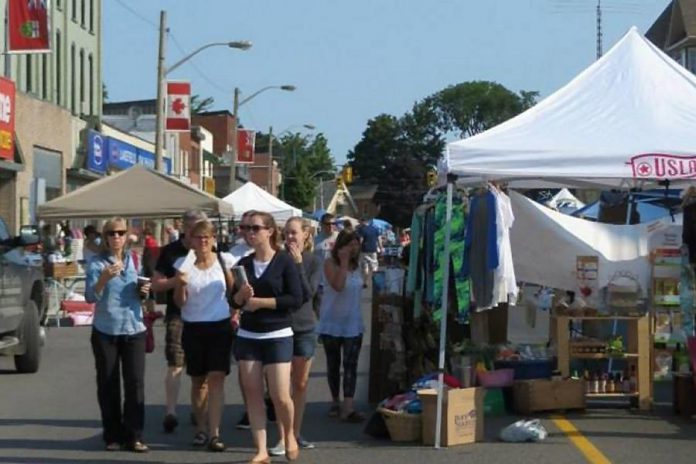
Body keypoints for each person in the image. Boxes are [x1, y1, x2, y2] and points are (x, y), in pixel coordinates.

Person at [231, 211, 303, 464]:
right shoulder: (245, 264)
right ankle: (261, 450)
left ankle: (290, 435)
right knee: (252, 392)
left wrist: (260, 302)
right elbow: (233, 300)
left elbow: (295, 298)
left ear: (270, 231)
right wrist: (240, 298)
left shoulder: (284, 262)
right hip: (248, 334)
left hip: (278, 332)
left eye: (255, 228)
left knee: (280, 394)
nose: (250, 233)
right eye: (245, 228)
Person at [85, 217, 151, 453]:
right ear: (105, 237)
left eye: (121, 233)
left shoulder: (135, 259)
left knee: (135, 383)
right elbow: (90, 298)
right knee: (108, 383)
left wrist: (144, 291)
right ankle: (112, 435)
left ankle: (134, 436)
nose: (116, 237)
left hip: (133, 327)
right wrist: (103, 280)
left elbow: (141, 292)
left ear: (126, 236)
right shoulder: (95, 263)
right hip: (106, 329)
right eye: (111, 233)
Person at [173, 220, 235, 452]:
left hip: (219, 325)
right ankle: (200, 428)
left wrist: (235, 309)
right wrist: (179, 284)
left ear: (213, 239)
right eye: (199, 237)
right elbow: (180, 302)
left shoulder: (224, 261)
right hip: (194, 326)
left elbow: (233, 290)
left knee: (217, 378)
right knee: (199, 380)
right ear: (191, 241)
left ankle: (215, 434)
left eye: (208, 237)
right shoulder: (183, 264)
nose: (204, 241)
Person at [151, 210, 209, 434]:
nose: (198, 234)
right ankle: (171, 411)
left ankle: (199, 410)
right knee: (175, 362)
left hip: (205, 315)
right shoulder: (171, 251)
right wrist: (177, 280)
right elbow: (156, 284)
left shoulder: (211, 248)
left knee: (201, 368)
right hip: (179, 313)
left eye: (202, 228)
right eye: (194, 228)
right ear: (184, 227)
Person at [268, 217, 321, 456]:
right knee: (281, 388)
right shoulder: (277, 260)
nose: (289, 238)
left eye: (294, 233)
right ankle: (283, 436)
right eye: (286, 233)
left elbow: (308, 293)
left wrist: (298, 264)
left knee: (299, 384)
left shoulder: (313, 261)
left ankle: (295, 433)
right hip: (281, 326)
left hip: (305, 327)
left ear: (306, 235)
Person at [317, 230, 366, 423]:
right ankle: (335, 400)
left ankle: (348, 406)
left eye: (356, 245)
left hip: (353, 322)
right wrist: (343, 263)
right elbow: (338, 285)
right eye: (350, 244)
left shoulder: (359, 264)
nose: (354, 248)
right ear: (341, 246)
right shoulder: (330, 263)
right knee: (334, 364)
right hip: (332, 323)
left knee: (351, 364)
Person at [356, 216, 381, 288]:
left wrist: (357, 248)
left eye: (360, 222)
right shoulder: (375, 229)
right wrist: (381, 247)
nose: (360, 223)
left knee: (365, 267)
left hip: (364, 250)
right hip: (373, 250)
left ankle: (366, 282)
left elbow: (361, 240)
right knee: (374, 266)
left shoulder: (362, 230)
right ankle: (375, 281)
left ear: (363, 221)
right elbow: (379, 239)